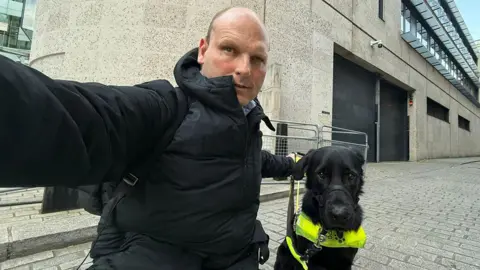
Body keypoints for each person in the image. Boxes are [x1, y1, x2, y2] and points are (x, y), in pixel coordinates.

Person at [0, 6, 297, 270]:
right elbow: (77, 114)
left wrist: (298, 164)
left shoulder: (249, 121)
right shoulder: (165, 107)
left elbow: (259, 161)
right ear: (204, 50)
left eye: (257, 58)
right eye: (230, 49)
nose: (244, 69)